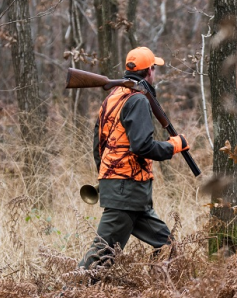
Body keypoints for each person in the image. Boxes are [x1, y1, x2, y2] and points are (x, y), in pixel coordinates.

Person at [79, 46, 190, 271]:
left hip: (130, 191)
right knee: (102, 256)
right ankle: (66, 296)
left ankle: (165, 290)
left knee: (168, 246)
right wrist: (173, 146)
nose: (154, 73)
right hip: (126, 190)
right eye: (154, 69)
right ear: (149, 71)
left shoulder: (113, 97)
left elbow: (98, 144)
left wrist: (105, 175)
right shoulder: (138, 100)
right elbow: (142, 146)